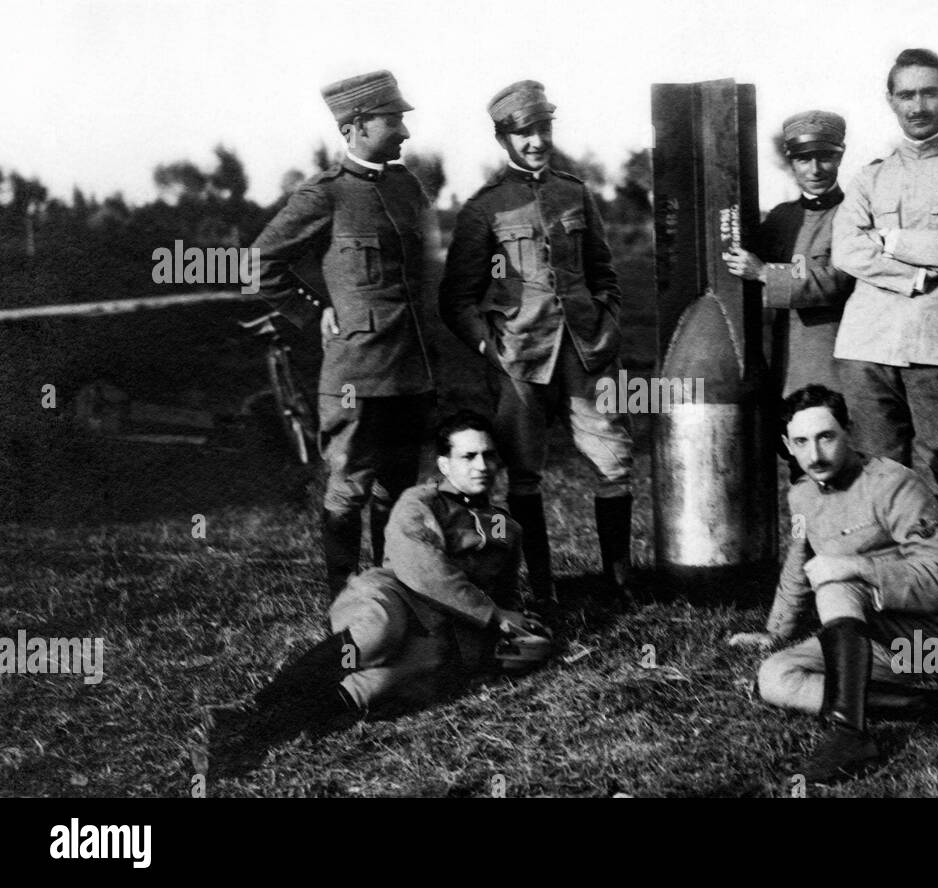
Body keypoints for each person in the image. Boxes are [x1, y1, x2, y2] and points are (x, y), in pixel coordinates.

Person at [208, 410, 551, 769]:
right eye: (468, 456)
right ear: (444, 464)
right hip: (393, 596)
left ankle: (256, 735)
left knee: (387, 680)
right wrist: (494, 615)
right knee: (380, 631)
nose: (482, 465)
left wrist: (520, 635)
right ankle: (256, 705)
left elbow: (504, 597)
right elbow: (423, 569)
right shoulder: (420, 501)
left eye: (489, 455)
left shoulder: (506, 529)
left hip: (442, 628)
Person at [439, 80, 635, 607]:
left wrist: (609, 322)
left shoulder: (575, 193)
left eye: (543, 129)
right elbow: (457, 297)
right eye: (523, 133)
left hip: (587, 352)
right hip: (519, 359)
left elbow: (603, 271)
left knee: (613, 463)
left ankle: (619, 585)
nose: (535, 142)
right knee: (523, 474)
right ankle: (543, 589)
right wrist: (489, 349)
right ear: (503, 139)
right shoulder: (485, 209)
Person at [729, 385, 938, 783]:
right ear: (787, 445)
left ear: (848, 431)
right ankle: (935, 705)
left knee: (835, 582)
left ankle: (849, 734)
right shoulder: (802, 495)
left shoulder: (894, 483)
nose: (815, 455)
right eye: (801, 442)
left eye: (826, 437)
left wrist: (857, 567)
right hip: (874, 640)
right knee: (775, 677)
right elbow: (800, 562)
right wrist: (774, 630)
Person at [252, 70, 441, 596]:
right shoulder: (324, 195)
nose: (404, 131)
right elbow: (259, 264)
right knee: (350, 487)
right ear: (356, 126)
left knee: (399, 488)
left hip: (410, 366)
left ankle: (392, 591)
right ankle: (342, 601)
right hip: (356, 370)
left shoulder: (407, 187)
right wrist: (312, 312)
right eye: (394, 119)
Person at [830, 49, 938, 606]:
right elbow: (846, 251)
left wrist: (896, 243)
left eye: (930, 92)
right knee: (880, 480)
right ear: (891, 102)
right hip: (869, 345)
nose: (919, 106)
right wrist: (922, 273)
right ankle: (891, 604)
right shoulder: (868, 178)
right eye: (907, 95)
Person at [723, 110, 857, 479]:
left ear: (840, 155)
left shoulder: (854, 214)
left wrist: (766, 273)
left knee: (839, 466)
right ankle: (802, 539)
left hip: (835, 367)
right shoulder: (780, 218)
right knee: (799, 473)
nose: (815, 168)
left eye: (825, 156)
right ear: (791, 161)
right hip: (784, 371)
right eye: (803, 158)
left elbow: (838, 280)